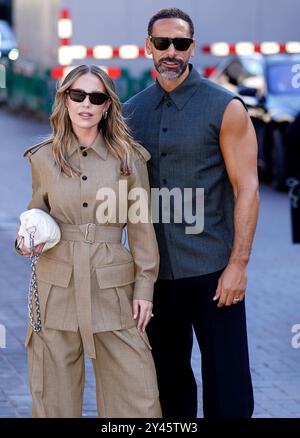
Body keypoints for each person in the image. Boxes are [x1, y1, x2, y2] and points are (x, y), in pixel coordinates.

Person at [123, 8, 259, 418]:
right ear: (148, 47)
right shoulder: (131, 112)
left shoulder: (225, 107)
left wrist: (238, 265)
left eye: (180, 44)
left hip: (214, 271)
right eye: (162, 43)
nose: (171, 52)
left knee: (228, 385)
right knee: (168, 383)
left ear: (191, 48)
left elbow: (248, 188)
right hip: (156, 276)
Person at [16, 64, 162, 418]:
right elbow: (35, 214)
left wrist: (144, 287)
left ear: (107, 105)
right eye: (77, 95)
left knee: (136, 397)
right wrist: (25, 242)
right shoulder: (43, 158)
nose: (86, 104)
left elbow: (142, 227)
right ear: (64, 100)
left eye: (95, 97)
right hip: (56, 287)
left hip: (113, 287)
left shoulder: (130, 158)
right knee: (53, 399)